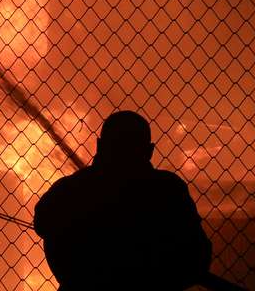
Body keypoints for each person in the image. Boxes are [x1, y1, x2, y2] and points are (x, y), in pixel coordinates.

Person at [33, 110, 213, 291]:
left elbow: (42, 222)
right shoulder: (168, 189)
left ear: (99, 145)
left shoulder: (70, 189)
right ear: (150, 151)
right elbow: (199, 254)